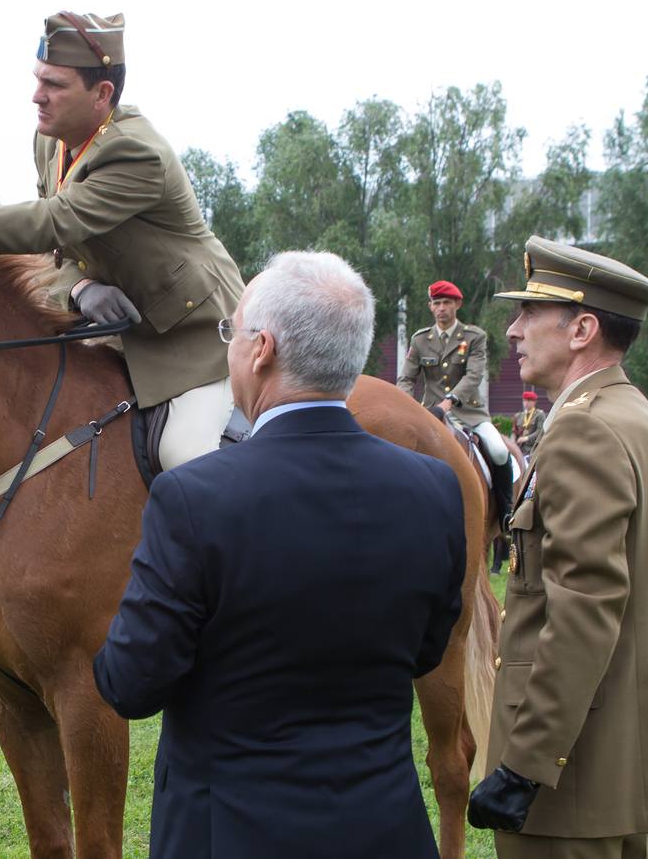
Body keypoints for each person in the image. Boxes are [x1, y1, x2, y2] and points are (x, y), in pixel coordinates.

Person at [93, 252, 466, 857]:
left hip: (230, 833)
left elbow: (131, 685)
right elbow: (426, 650)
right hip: (385, 828)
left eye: (230, 333)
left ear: (261, 348)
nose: (229, 348)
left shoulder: (193, 498)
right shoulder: (433, 487)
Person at [0, 11, 247, 470]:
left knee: (185, 458)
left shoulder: (136, 153)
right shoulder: (49, 141)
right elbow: (55, 253)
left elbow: (52, 222)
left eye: (54, 84)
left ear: (102, 94)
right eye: (39, 79)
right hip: (118, 336)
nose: (37, 95)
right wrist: (79, 289)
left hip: (193, 340)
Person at [468, 235, 648, 857]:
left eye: (529, 313)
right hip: (612, 758)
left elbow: (584, 609)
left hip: (565, 781)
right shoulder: (638, 418)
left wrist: (523, 766)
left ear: (582, 328)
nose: (512, 330)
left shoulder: (584, 429)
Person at [398, 280, 514, 521]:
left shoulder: (474, 337)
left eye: (446, 303)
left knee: (499, 451)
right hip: (429, 413)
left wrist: (449, 401)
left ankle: (505, 512)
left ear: (457, 304)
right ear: (430, 307)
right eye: (436, 303)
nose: (441, 308)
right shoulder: (420, 340)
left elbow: (474, 375)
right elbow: (407, 378)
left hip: (469, 413)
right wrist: (405, 406)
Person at [512, 391, 544, 458]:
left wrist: (527, 438)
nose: (526, 403)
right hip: (520, 449)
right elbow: (514, 432)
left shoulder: (539, 415)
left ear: (534, 402)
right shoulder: (518, 416)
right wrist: (512, 444)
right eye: (524, 400)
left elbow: (540, 431)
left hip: (533, 448)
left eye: (529, 401)